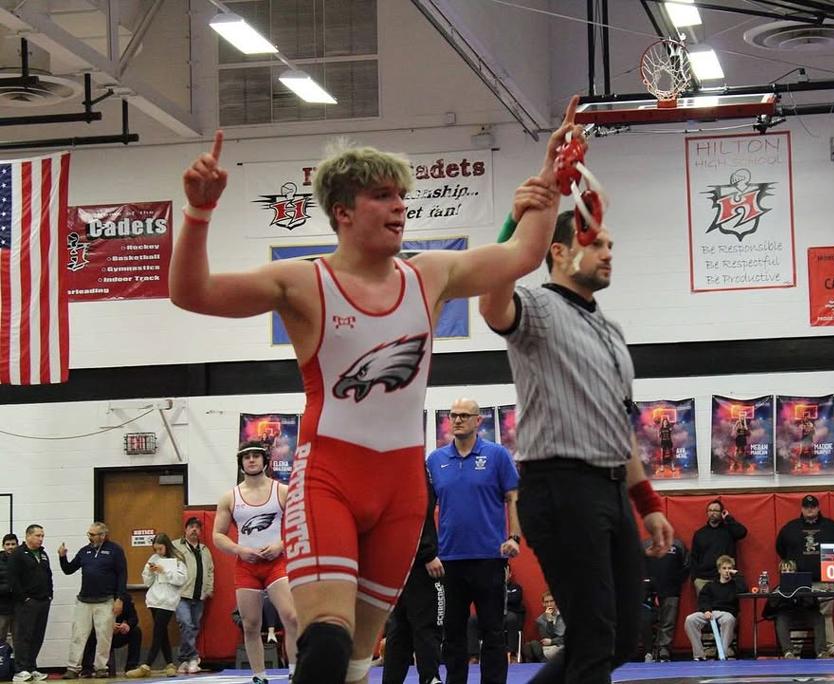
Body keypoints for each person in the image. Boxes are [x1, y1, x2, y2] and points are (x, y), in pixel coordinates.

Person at [169, 95, 580, 684]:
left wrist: (553, 175)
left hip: (402, 488)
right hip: (329, 477)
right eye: (383, 196)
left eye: (401, 196)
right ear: (342, 211)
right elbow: (193, 293)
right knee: (326, 644)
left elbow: (523, 253)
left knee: (358, 660)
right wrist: (199, 211)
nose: (399, 207)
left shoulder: (430, 274)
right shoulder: (303, 281)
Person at [479, 209, 673, 683]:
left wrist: (647, 503)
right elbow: (490, 305)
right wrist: (515, 222)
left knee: (620, 638)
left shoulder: (611, 331)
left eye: (610, 245)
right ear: (560, 252)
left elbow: (618, 422)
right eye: (596, 243)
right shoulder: (538, 307)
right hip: (560, 485)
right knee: (593, 638)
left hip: (610, 487)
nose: (608, 253)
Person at [426, 397, 520, 684]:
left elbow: (512, 496)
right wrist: (429, 551)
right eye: (453, 415)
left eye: (464, 416)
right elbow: (424, 509)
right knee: (453, 633)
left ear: (478, 421)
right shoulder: (435, 460)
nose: (457, 420)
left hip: (489, 558)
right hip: (449, 561)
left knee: (493, 631)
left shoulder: (497, 455)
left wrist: (514, 537)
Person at [213, 443, 299, 684]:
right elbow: (217, 535)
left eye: (256, 456)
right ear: (241, 462)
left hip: (276, 563)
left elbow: (300, 525)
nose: (251, 460)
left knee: (292, 617)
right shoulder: (230, 497)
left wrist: (281, 545)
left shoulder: (282, 491)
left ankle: (295, 672)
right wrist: (240, 550)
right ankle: (259, 676)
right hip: (247, 566)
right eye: (247, 457)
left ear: (265, 460)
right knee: (250, 625)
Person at [381, 480, 442, 684]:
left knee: (400, 626)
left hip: (396, 559)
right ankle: (430, 678)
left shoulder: (391, 472)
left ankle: (391, 680)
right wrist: (427, 553)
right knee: (425, 624)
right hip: (418, 562)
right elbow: (417, 510)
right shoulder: (413, 471)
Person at [774, 494, 834, 658]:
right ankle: (794, 651)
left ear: (818, 508)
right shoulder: (790, 528)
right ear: (801, 508)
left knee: (825, 615)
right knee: (797, 612)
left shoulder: (832, 527)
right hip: (798, 582)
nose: (810, 509)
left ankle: (830, 649)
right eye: (806, 507)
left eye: (813, 506)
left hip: (826, 580)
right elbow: (781, 550)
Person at [59, 521, 128, 679]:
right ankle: (73, 667)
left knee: (104, 636)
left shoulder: (115, 550)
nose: (89, 537)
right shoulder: (84, 551)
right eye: (88, 534)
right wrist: (62, 557)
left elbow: (122, 575)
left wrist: (120, 598)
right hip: (84, 600)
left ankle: (101, 667)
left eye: (92, 534)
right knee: (78, 635)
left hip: (106, 600)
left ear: (103, 535)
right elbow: (68, 569)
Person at [126, 533, 187, 678]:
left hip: (168, 600)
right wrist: (150, 571)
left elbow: (181, 580)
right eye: (156, 549)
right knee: (162, 631)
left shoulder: (178, 559)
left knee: (158, 631)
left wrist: (164, 571)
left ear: (167, 546)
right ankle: (170, 664)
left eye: (160, 549)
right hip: (154, 600)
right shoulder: (154, 558)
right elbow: (147, 581)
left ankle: (147, 665)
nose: (158, 552)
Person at [172, 516, 215, 674]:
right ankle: (194, 658)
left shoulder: (204, 549)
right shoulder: (175, 546)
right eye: (191, 526)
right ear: (186, 529)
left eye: (197, 527)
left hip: (199, 595)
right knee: (186, 624)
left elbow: (210, 570)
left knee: (194, 627)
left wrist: (209, 589)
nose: (194, 529)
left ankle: (184, 660)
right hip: (181, 594)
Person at [9, 524, 52, 682]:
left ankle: (31, 667)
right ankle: (20, 670)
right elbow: (13, 579)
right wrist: (24, 598)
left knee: (37, 636)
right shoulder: (18, 554)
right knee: (24, 636)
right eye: (37, 535)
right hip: (27, 602)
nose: (41, 539)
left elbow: (48, 575)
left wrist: (50, 595)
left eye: (42, 536)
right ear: (28, 536)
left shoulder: (43, 554)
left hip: (43, 601)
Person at [683, 555, 746, 661]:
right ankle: (699, 655)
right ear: (719, 570)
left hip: (726, 613)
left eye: (729, 568)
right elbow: (703, 600)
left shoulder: (735, 585)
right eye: (724, 568)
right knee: (690, 619)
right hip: (710, 612)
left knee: (729, 619)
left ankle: (722, 654)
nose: (727, 571)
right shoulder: (710, 586)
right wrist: (707, 610)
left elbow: (744, 589)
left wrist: (737, 575)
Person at [762, 559, 824, 659]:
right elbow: (769, 610)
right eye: (784, 571)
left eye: (790, 570)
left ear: (795, 572)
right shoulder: (777, 589)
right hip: (787, 616)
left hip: (804, 614)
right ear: (780, 573)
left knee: (819, 617)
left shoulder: (805, 587)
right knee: (780, 618)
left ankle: (821, 652)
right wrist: (775, 597)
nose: (788, 573)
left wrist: (809, 595)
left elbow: (815, 606)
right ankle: (788, 652)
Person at [642, 537, 690, 662]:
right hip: (649, 591)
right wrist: (645, 583)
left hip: (671, 589)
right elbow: (637, 564)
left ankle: (663, 649)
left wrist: (677, 580)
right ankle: (649, 650)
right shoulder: (646, 544)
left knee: (668, 621)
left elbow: (687, 564)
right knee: (646, 621)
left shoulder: (678, 544)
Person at [467, 565, 526, 664]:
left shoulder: (516, 588)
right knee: (471, 620)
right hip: (491, 615)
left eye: (505, 572)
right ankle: (474, 655)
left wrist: (497, 597)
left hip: (507, 616)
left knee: (512, 618)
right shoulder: (489, 587)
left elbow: (515, 599)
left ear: (509, 574)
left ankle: (512, 654)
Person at [691, 499, 747, 599]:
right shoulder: (700, 534)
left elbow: (742, 532)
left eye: (715, 510)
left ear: (721, 513)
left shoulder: (729, 530)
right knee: (705, 608)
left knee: (724, 606)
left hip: (725, 578)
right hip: (703, 580)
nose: (712, 513)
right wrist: (695, 578)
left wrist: (728, 518)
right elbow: (694, 557)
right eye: (710, 510)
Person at [81, 591, 142, 678]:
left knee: (136, 631)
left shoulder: (126, 599)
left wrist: (127, 625)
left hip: (118, 634)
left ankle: (131, 666)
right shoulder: (99, 598)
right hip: (100, 634)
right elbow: (91, 621)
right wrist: (107, 626)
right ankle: (87, 668)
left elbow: (134, 618)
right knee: (89, 633)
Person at [522, 591, 565, 664]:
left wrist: (552, 641)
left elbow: (568, 638)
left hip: (561, 645)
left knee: (547, 651)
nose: (549, 604)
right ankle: (539, 661)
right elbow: (546, 638)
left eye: (552, 601)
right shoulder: (541, 619)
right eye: (546, 602)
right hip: (548, 647)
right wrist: (549, 620)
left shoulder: (564, 616)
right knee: (530, 645)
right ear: (543, 604)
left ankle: (539, 661)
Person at [0, 533, 18, 646]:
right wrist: (8, 589)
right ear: (3, 546)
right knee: (1, 637)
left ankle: (18, 658)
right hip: (2, 607)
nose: (10, 547)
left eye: (13, 544)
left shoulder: (23, 559)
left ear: (17, 545)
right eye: (7, 544)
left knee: (19, 639)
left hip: (19, 607)